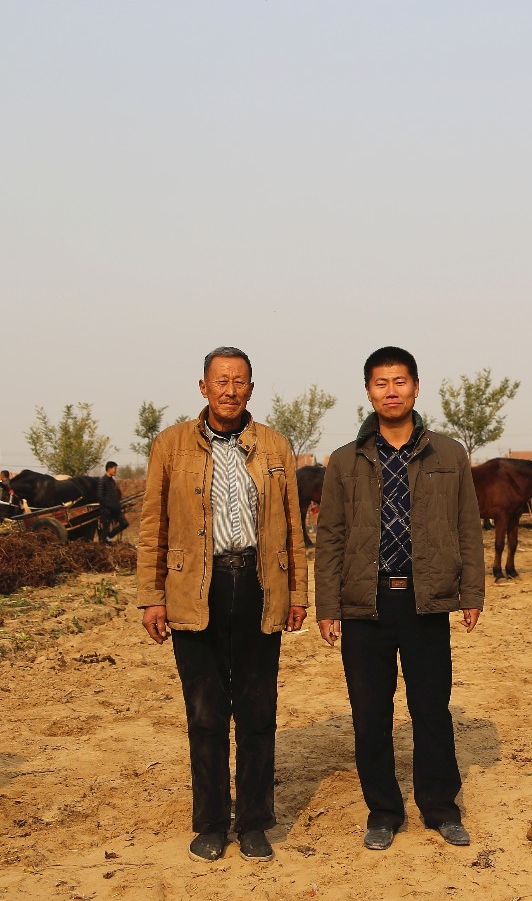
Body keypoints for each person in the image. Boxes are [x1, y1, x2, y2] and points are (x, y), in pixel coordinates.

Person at [136, 347, 308, 864]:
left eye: (240, 381)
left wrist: (298, 593)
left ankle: (254, 822)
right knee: (206, 714)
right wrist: (151, 597)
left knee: (258, 712)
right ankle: (211, 823)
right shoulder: (171, 445)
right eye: (221, 380)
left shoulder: (275, 445)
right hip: (195, 590)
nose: (230, 389)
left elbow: (295, 528)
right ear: (203, 387)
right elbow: (153, 528)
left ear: (252, 388)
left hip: (257, 585)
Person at [315, 346, 485, 852]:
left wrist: (471, 592)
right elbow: (330, 537)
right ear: (368, 390)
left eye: (400, 381)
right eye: (381, 383)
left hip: (425, 601)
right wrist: (328, 606)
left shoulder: (449, 455)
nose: (392, 391)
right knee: (370, 712)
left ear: (416, 387)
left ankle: (440, 807)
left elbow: (468, 529)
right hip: (364, 604)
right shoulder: (345, 460)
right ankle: (384, 812)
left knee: (431, 707)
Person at [97, 461, 128, 543]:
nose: (115, 471)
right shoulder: (102, 481)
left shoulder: (112, 481)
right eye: (114, 469)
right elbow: (100, 496)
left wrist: (117, 504)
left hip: (115, 509)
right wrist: (110, 505)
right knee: (106, 529)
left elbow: (114, 495)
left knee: (124, 523)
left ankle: (109, 536)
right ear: (109, 469)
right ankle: (103, 543)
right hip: (106, 510)